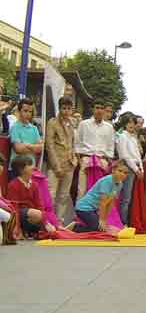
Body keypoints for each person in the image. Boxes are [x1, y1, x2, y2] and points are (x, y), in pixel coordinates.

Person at [74, 160, 134, 237]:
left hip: (93, 210)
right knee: (98, 228)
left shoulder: (120, 184)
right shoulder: (107, 181)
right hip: (83, 208)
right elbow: (103, 203)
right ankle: (75, 227)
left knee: (102, 228)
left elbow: (110, 202)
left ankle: (83, 225)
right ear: (113, 170)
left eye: (125, 173)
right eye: (120, 171)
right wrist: (101, 220)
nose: (122, 174)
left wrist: (105, 219)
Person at [45, 96, 77, 224]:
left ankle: (59, 222)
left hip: (69, 163)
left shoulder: (72, 123)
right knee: (51, 194)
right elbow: (49, 145)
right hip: (55, 163)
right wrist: (56, 166)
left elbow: (73, 143)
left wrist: (74, 159)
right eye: (64, 108)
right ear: (60, 108)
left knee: (64, 196)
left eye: (69, 108)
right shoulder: (52, 122)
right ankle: (48, 221)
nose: (66, 111)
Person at [74, 101, 116, 196]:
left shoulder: (109, 127)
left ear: (104, 111)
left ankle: (96, 211)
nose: (99, 110)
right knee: (82, 191)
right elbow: (77, 143)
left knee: (100, 193)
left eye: (102, 108)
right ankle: (80, 210)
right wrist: (80, 161)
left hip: (102, 161)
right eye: (97, 108)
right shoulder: (83, 124)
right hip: (86, 159)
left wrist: (107, 162)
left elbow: (110, 146)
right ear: (93, 109)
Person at [6, 156, 55, 237]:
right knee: (36, 214)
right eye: (30, 164)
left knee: (50, 227)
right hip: (21, 214)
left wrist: (45, 222)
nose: (33, 167)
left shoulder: (34, 185)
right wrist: (16, 228)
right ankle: (24, 230)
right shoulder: (13, 185)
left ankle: (34, 231)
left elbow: (40, 205)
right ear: (21, 169)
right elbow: (14, 208)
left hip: (32, 215)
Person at [116, 114, 144, 226]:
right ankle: (122, 222)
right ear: (125, 124)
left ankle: (125, 220)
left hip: (135, 168)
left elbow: (138, 155)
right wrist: (136, 169)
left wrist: (141, 168)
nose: (132, 125)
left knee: (129, 198)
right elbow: (124, 156)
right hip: (126, 168)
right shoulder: (122, 136)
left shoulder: (133, 137)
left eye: (133, 122)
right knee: (124, 197)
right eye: (129, 122)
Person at [9, 99, 43, 182]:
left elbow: (40, 149)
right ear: (19, 111)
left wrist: (27, 145)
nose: (28, 114)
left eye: (30, 111)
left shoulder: (34, 128)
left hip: (31, 169)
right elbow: (18, 149)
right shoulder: (15, 128)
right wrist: (33, 147)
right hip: (17, 169)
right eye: (25, 111)